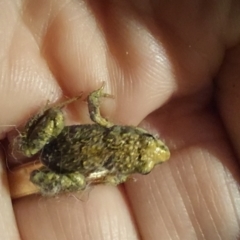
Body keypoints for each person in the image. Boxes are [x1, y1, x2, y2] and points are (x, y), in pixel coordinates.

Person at [1, 1, 240, 239]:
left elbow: (95, 114)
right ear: (132, 136)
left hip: (60, 157)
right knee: (74, 176)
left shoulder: (110, 133)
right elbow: (108, 165)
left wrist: (94, 97)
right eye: (150, 141)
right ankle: (36, 171)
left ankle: (35, 166)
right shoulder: (114, 159)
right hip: (59, 152)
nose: (158, 145)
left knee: (57, 125)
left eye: (144, 163)